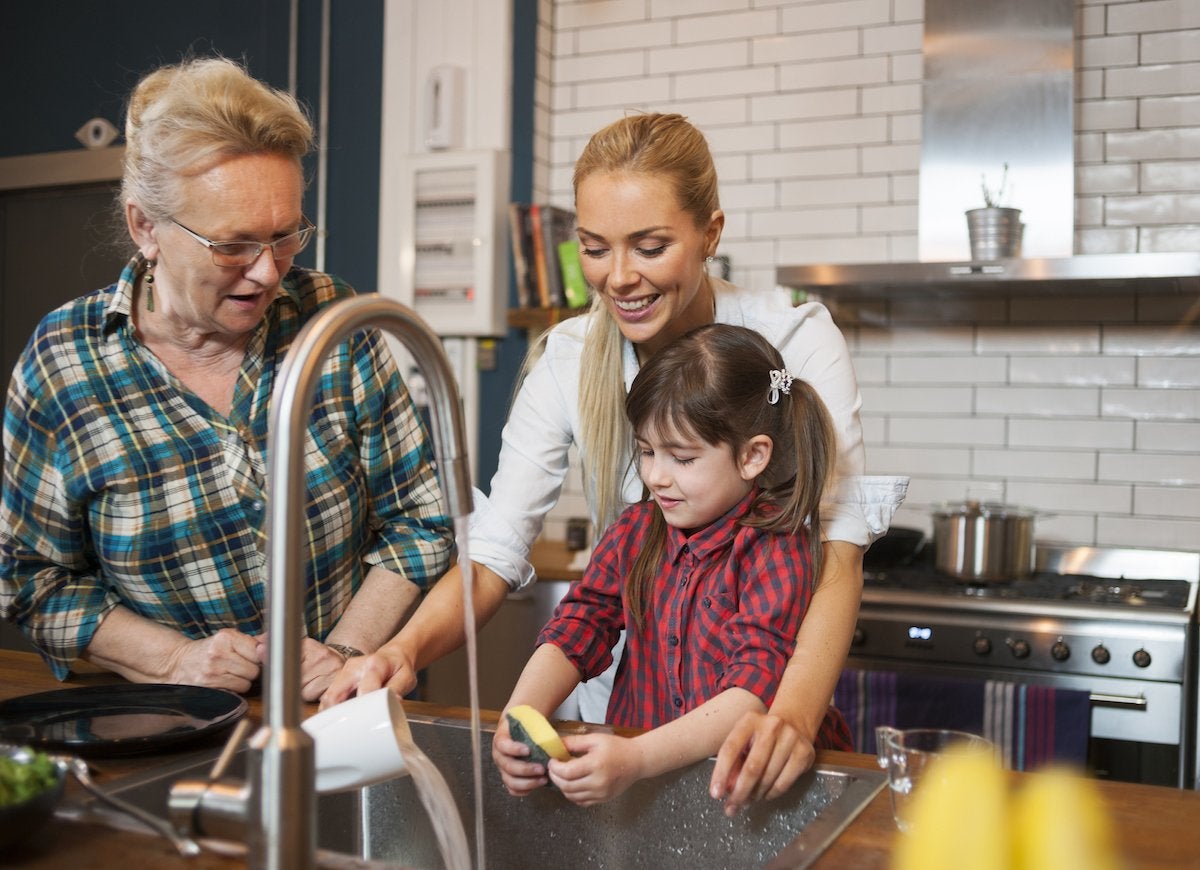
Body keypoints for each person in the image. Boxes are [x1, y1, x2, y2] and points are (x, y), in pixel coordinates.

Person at [325, 112, 907, 811]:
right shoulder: (573, 367)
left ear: (710, 234)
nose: (619, 277)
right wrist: (406, 649)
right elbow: (503, 553)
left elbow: (836, 558)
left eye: (651, 246)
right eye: (595, 249)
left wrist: (791, 716)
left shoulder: (793, 343)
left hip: (750, 741)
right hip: (626, 734)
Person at [0, 56, 453, 701]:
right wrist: (173, 660)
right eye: (234, 244)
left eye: (286, 235)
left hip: (345, 708)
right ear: (145, 227)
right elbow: (31, 577)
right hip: (166, 723)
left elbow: (421, 522)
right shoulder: (65, 363)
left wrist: (343, 655)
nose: (269, 272)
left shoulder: (329, 317)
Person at [493, 323, 838, 803]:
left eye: (682, 458)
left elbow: (751, 691)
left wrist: (636, 758)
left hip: (741, 790)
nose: (656, 476)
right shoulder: (635, 530)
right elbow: (579, 625)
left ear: (753, 456)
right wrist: (520, 711)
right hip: (653, 787)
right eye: (647, 451)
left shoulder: (775, 548)